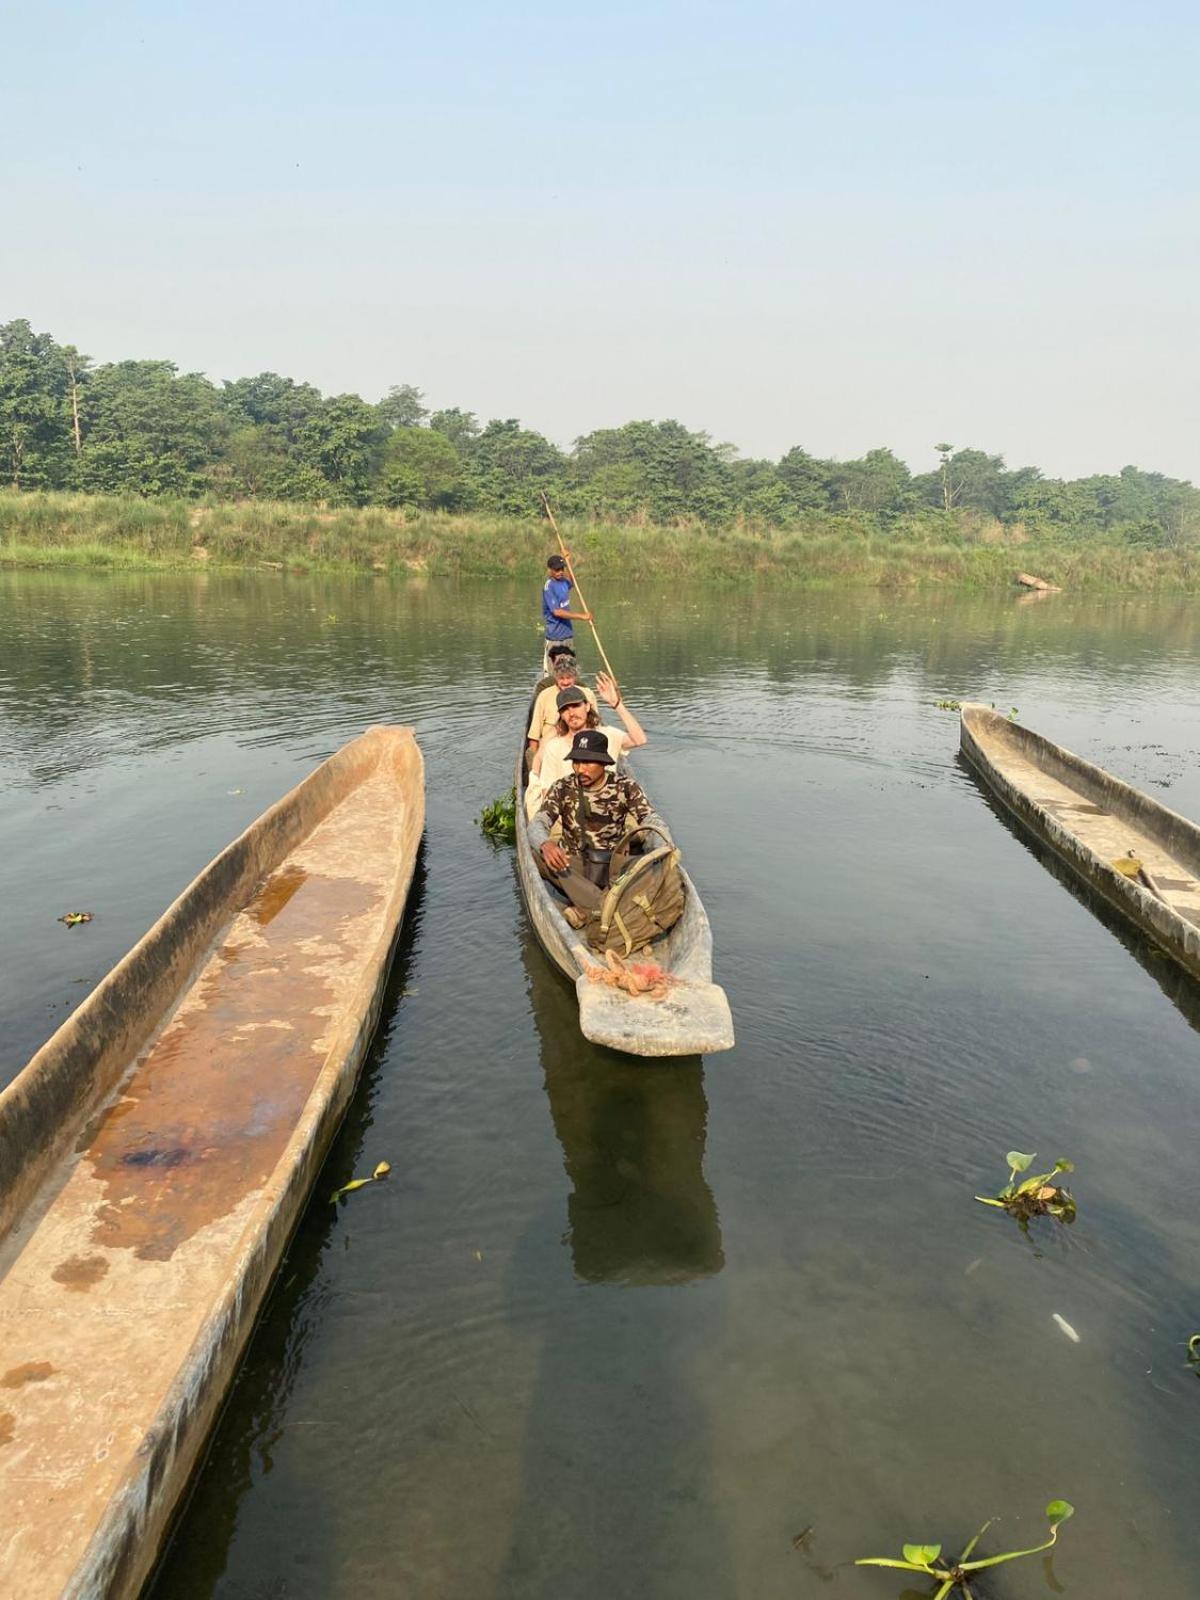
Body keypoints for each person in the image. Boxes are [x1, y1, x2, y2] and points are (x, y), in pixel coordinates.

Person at [528, 729, 668, 927]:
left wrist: (663, 849)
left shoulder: (625, 787)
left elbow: (651, 820)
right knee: (537, 855)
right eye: (576, 762)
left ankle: (589, 908)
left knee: (653, 866)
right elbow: (538, 822)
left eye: (587, 762)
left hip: (611, 865)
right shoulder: (563, 787)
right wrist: (546, 844)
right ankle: (607, 906)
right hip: (573, 865)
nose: (580, 769)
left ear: (603, 763)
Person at [525, 674, 647, 819]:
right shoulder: (554, 747)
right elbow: (548, 793)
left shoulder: (607, 735)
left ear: (588, 706)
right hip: (571, 818)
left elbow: (640, 739)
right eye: (565, 709)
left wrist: (617, 704)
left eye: (576, 706)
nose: (571, 713)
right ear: (561, 715)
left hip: (609, 813)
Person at [526, 654, 598, 755]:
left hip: (582, 749)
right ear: (555, 677)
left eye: (569, 678)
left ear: (575, 677)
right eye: (561, 678)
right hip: (550, 753)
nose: (565, 682)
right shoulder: (544, 696)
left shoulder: (587, 694)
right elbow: (534, 737)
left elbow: (596, 727)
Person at [542, 553, 591, 659]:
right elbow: (557, 612)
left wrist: (568, 563)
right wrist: (581, 616)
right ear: (550, 569)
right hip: (555, 638)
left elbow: (574, 583)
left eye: (562, 569)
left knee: (569, 670)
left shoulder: (564, 581)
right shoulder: (549, 587)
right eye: (557, 570)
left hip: (567, 635)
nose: (560, 572)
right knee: (554, 673)